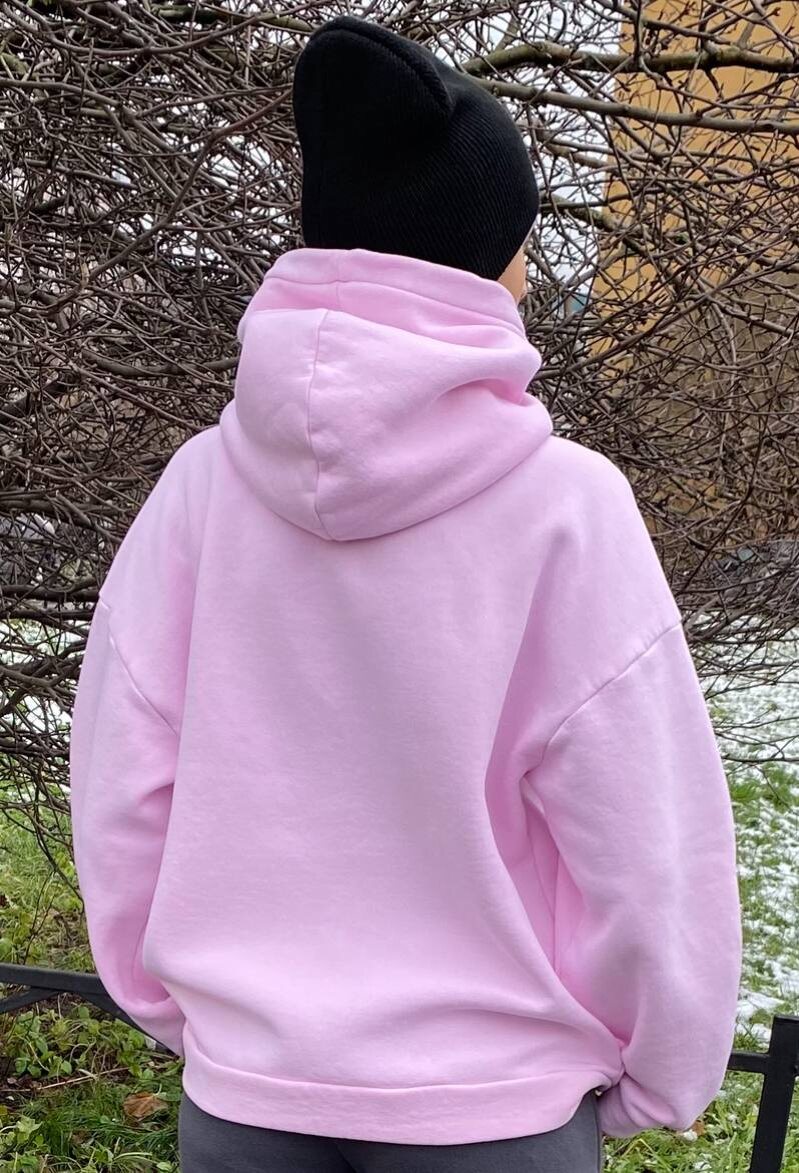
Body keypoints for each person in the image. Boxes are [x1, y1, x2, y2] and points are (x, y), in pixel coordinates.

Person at [68, 14, 743, 1173]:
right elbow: (645, 837)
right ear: (487, 258)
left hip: (247, 1104)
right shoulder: (566, 507)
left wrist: (195, 1020)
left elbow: (124, 779)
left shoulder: (200, 491)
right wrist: (662, 1072)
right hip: (496, 1114)